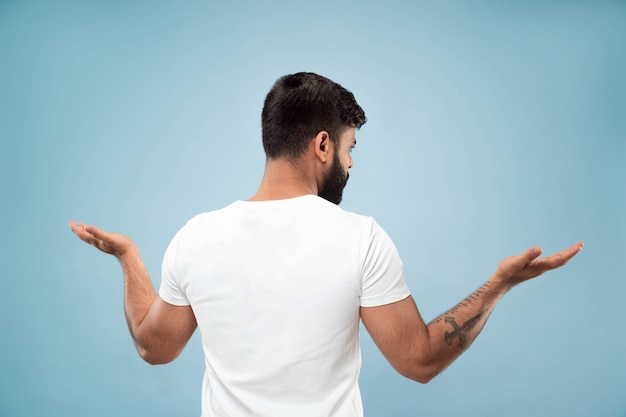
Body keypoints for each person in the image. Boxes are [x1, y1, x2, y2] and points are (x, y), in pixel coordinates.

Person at [69, 72, 582, 417]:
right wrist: (498, 285)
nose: (351, 164)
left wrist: (128, 257)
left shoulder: (195, 236)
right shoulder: (360, 239)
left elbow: (153, 347)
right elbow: (419, 361)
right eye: (349, 148)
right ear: (322, 145)